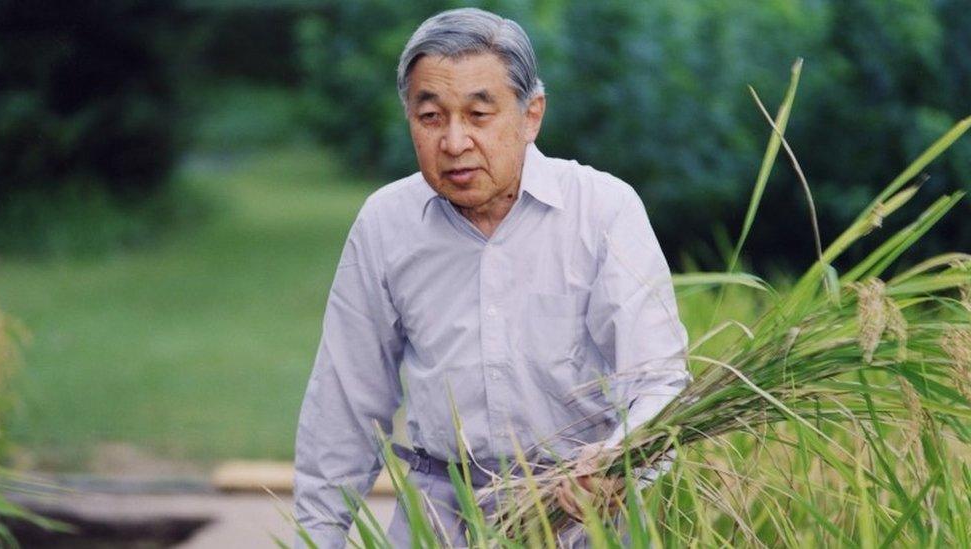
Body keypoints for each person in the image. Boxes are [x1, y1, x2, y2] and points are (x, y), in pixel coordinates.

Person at [293, 7, 690, 548]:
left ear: (531, 116)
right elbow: (345, 402)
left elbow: (659, 381)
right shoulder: (386, 223)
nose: (454, 142)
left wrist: (619, 462)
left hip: (578, 513)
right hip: (439, 518)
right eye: (430, 117)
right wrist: (317, 538)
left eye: (479, 115)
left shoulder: (603, 210)